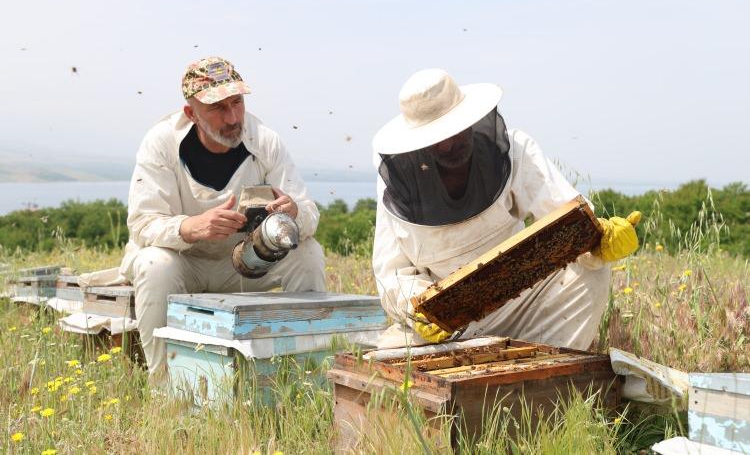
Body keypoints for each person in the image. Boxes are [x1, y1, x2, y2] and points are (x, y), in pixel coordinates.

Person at [372, 68, 639, 349]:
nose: (449, 144)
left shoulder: (515, 152)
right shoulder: (397, 185)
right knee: (391, 354)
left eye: (454, 130)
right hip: (450, 324)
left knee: (590, 273)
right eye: (436, 139)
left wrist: (599, 239)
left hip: (521, 300)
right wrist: (421, 313)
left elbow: (567, 218)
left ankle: (545, 372)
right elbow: (392, 273)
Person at [119, 57, 326, 383]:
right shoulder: (161, 144)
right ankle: (163, 388)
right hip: (182, 265)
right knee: (153, 264)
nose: (232, 118)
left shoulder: (265, 141)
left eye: (237, 103)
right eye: (217, 108)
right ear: (191, 114)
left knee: (308, 254)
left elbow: (309, 213)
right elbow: (142, 224)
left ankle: (304, 377)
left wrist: (294, 212)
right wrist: (191, 227)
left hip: (246, 263)